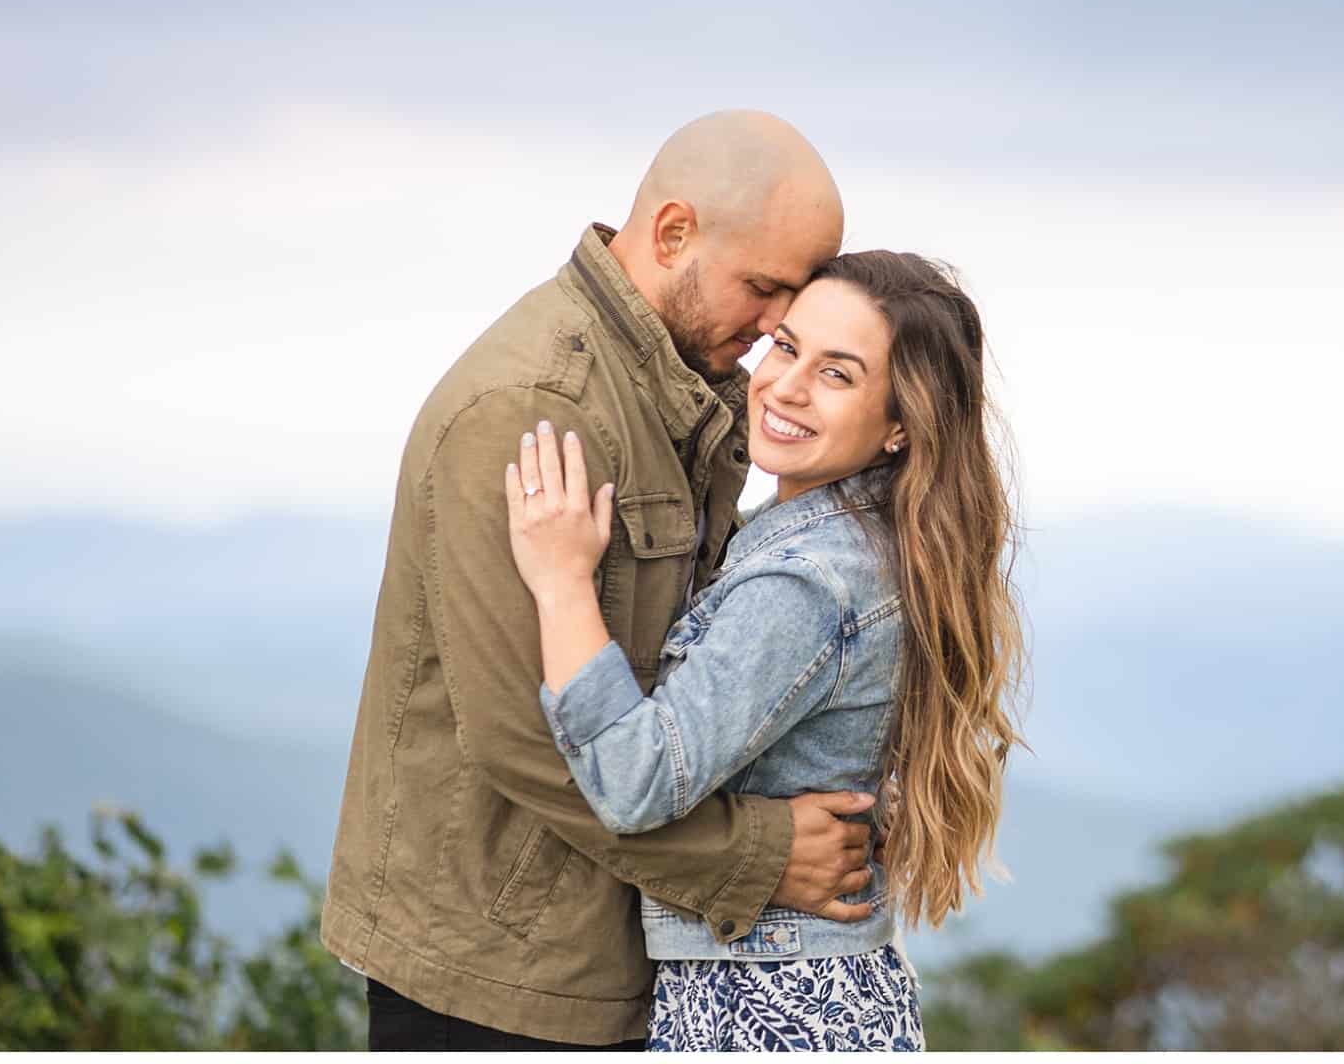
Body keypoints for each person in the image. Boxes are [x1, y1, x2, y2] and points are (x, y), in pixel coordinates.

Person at [324, 111, 888, 1050]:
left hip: (599, 955)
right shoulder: (537, 413)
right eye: (762, 290)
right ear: (674, 234)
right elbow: (521, 737)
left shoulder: (665, 385)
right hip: (498, 978)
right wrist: (759, 856)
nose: (771, 328)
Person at [505, 250, 1027, 1051]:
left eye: (838, 374)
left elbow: (636, 779)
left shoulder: (808, 582)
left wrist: (562, 577)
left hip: (773, 1010)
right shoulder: (866, 544)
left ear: (900, 425)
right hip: (806, 994)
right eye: (786, 347)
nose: (785, 385)